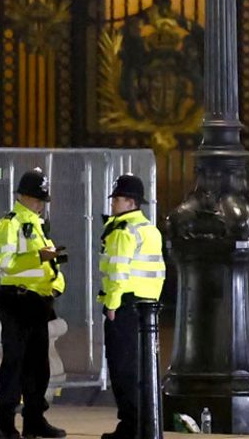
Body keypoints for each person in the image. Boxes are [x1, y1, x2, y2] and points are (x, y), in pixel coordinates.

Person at [0, 167, 67, 439]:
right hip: (17, 299)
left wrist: (57, 286)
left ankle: (34, 420)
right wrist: (40, 257)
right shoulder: (9, 224)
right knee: (14, 362)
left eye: (42, 200)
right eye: (37, 199)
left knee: (38, 365)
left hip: (38, 302)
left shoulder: (37, 225)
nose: (40, 205)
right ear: (22, 196)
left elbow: (51, 266)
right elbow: (5, 264)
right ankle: (4, 424)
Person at [98, 174, 165, 439]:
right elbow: (158, 271)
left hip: (124, 306)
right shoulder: (149, 229)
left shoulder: (122, 231)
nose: (113, 203)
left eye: (117, 198)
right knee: (141, 368)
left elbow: (117, 272)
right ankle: (144, 423)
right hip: (146, 308)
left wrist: (112, 305)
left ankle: (130, 426)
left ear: (130, 202)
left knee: (122, 369)